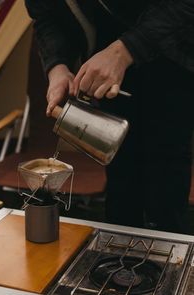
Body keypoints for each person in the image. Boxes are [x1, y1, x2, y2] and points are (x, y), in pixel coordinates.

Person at [25, 0, 194, 233]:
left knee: (166, 181)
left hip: (170, 55)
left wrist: (125, 51)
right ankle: (119, 255)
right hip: (105, 70)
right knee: (121, 178)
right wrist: (57, 66)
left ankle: (170, 253)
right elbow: (45, 16)